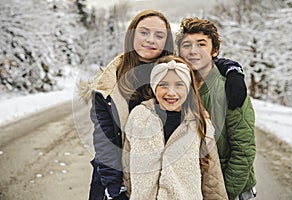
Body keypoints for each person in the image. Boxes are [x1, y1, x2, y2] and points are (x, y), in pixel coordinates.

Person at [79, 9, 246, 200]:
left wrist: (233, 70)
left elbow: (202, 58)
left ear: (166, 42)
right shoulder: (108, 85)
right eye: (143, 32)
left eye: (159, 35)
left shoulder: (171, 68)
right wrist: (116, 191)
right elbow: (105, 144)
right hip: (119, 185)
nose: (150, 39)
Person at [123, 55, 227, 200]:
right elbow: (126, 167)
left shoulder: (200, 124)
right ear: (154, 87)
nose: (171, 92)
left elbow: (212, 179)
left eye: (179, 84)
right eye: (163, 84)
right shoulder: (139, 117)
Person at [176, 17, 257, 200]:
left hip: (230, 189)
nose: (193, 51)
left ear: (215, 51)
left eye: (201, 44)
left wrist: (224, 193)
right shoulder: (175, 90)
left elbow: (244, 150)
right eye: (187, 45)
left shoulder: (230, 89)